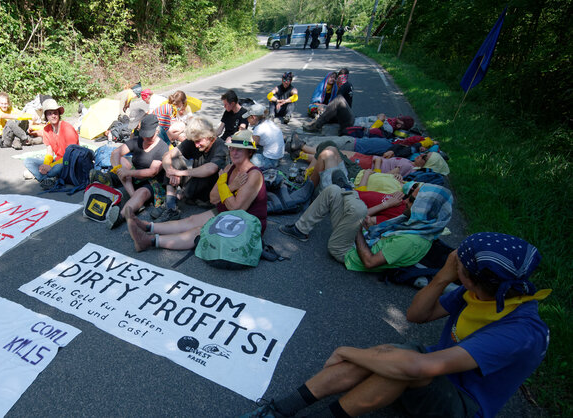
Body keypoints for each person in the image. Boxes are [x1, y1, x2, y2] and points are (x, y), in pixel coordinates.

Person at [242, 232, 550, 418]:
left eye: (459, 265)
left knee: (398, 368)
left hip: (465, 404)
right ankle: (280, 409)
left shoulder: (520, 331)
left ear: (472, 277)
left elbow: (417, 368)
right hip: (435, 370)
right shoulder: (482, 293)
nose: (453, 262)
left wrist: (346, 350)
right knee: (390, 354)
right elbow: (417, 315)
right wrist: (443, 276)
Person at [127, 129, 267, 252]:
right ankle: (147, 226)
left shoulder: (253, 175)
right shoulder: (230, 168)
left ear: (249, 152)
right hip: (228, 212)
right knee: (191, 220)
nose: (234, 152)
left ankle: (148, 241)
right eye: (232, 148)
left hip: (246, 223)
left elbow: (237, 208)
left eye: (239, 149)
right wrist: (230, 187)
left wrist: (224, 186)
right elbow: (213, 198)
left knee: (199, 231)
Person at [281, 178, 452, 271]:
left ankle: (348, 189)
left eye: (412, 200)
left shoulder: (411, 241)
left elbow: (370, 262)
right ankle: (299, 229)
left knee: (359, 209)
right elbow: (379, 234)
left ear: (426, 208)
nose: (406, 201)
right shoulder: (416, 223)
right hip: (362, 239)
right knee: (332, 191)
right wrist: (364, 226)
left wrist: (357, 229)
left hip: (346, 252)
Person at [155, 117, 228, 222]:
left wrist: (179, 173)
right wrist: (170, 171)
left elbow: (211, 169)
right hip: (194, 185)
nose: (196, 145)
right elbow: (168, 155)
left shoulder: (220, 146)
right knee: (173, 161)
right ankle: (171, 206)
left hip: (209, 193)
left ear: (208, 136)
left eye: (199, 141)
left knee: (204, 172)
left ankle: (174, 199)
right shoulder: (195, 140)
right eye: (194, 142)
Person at [110, 114, 170, 224]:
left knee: (141, 192)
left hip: (152, 182)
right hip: (134, 176)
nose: (146, 138)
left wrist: (127, 172)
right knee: (121, 160)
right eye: (144, 135)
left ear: (157, 131)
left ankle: (121, 216)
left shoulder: (162, 147)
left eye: (150, 136)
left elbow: (153, 172)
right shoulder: (137, 140)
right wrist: (118, 168)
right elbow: (116, 153)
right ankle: (133, 196)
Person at [22, 99, 80, 189]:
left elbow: (70, 155)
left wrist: (50, 167)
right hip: (57, 161)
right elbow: (49, 152)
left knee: (57, 168)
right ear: (46, 116)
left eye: (55, 113)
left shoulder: (67, 128)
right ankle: (49, 179)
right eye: (50, 113)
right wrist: (46, 165)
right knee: (28, 161)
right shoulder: (46, 129)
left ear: (59, 114)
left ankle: (47, 177)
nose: (53, 116)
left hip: (69, 162)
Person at [303, 68, 354, 135]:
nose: (334, 80)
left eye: (336, 78)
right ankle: (316, 122)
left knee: (332, 108)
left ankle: (316, 125)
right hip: (348, 116)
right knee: (320, 109)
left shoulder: (342, 87)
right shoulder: (349, 85)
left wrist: (325, 107)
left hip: (344, 119)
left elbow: (336, 104)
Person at [246, 104, 285, 170]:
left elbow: (252, 145)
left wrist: (244, 142)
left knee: (245, 158)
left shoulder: (258, 129)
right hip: (279, 157)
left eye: (248, 118)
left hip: (270, 160)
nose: (247, 120)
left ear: (253, 117)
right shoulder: (269, 122)